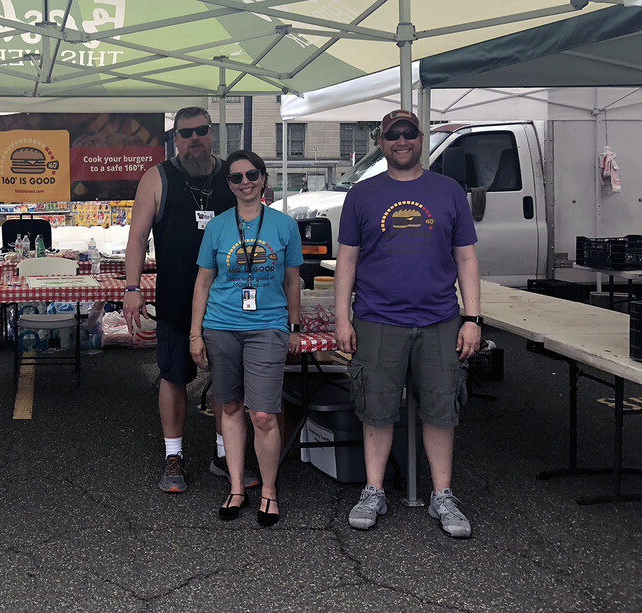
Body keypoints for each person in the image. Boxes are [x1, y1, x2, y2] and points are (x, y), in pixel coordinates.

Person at [334, 109, 481, 538]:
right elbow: (347, 259)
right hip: (377, 319)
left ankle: (442, 496)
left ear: (422, 139)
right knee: (376, 408)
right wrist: (342, 316)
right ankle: (374, 490)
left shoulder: (449, 191)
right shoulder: (361, 195)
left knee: (442, 409)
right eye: (392, 134)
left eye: (409, 133)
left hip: (440, 319)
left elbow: (466, 257)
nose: (402, 140)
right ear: (380, 142)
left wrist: (472, 318)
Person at [124, 106, 259, 494]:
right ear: (175, 139)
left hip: (229, 302)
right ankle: (173, 456)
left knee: (226, 383)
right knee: (173, 377)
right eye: (185, 133)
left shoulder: (233, 175)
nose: (194, 138)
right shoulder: (158, 177)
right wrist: (132, 289)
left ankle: (223, 454)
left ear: (213, 133)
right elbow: (137, 238)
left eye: (201, 130)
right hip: (177, 298)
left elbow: (258, 224)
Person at [190, 151, 303, 526]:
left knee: (264, 414)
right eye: (236, 178)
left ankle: (268, 490)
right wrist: (196, 333)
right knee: (232, 408)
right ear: (229, 185)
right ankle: (237, 488)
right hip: (221, 326)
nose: (245, 182)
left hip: (267, 326)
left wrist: (295, 325)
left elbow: (292, 281)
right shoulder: (218, 227)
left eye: (251, 174)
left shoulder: (284, 225)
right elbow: (203, 282)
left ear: (263, 177)